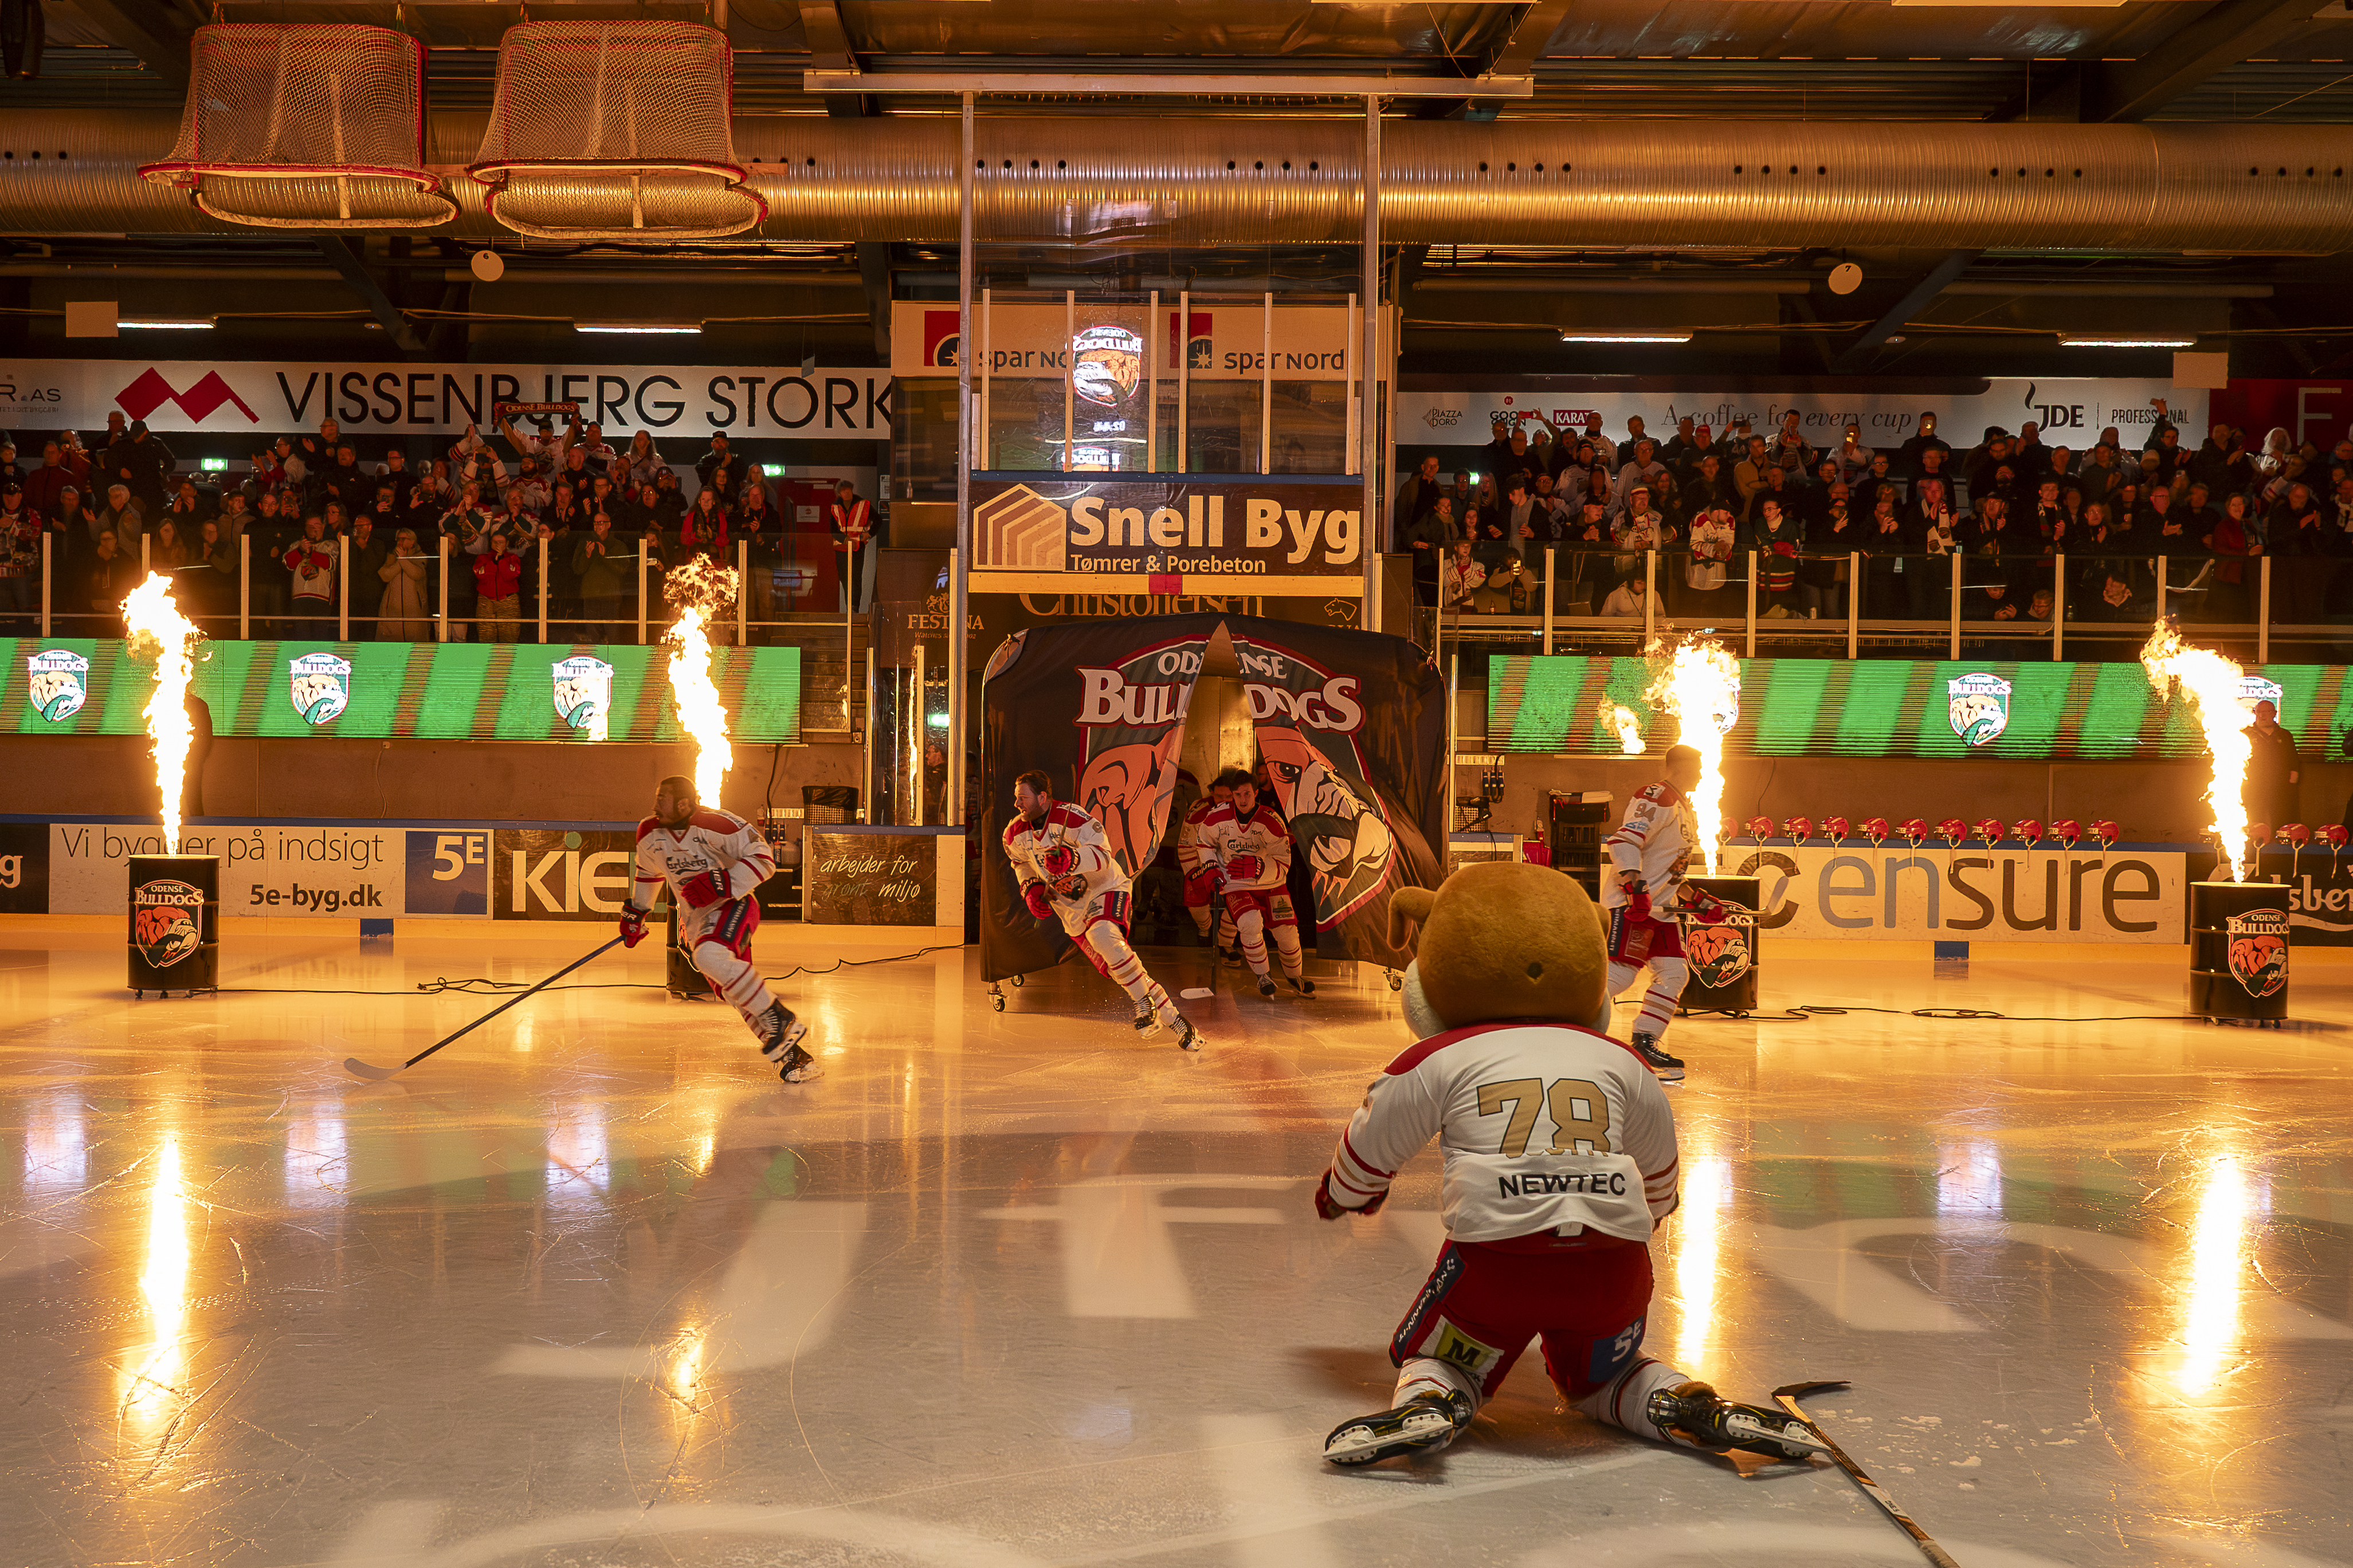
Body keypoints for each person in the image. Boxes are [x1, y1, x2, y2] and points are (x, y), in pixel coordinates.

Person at [1311, 863, 1825, 1470]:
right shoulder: (1619, 1059)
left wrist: (1344, 1194)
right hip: (1612, 1269)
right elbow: (1660, 1169)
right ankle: (1680, 1401)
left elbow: (1369, 1148)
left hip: (1498, 1266)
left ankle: (1435, 1399)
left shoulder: (1437, 1055)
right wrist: (1637, 1214)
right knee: (1604, 1379)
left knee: (1440, 1356)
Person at [620, 773, 817, 1082]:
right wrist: (637, 913)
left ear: (684, 803)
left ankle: (780, 1018)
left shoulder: (720, 825)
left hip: (734, 906)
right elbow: (649, 872)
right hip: (697, 921)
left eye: (663, 798)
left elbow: (765, 860)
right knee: (735, 991)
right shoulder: (648, 832)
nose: (655, 804)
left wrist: (721, 883)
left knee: (709, 957)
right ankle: (795, 1058)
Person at [1003, 769, 1201, 1048]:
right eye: (1017, 798)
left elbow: (1103, 856)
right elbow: (1019, 862)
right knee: (1122, 968)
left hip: (1105, 888)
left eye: (1022, 798)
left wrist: (1072, 859)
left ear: (1043, 797)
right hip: (1072, 912)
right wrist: (1031, 888)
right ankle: (1179, 1024)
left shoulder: (1074, 818)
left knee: (1104, 937)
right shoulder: (1014, 833)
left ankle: (1144, 1004)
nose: (1017, 804)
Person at [1602, 744, 1708, 1081]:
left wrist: (1698, 900)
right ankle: (1563, 1027)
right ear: (1683, 767)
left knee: (1675, 974)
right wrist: (1636, 890)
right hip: (1635, 908)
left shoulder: (1683, 807)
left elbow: (1671, 868)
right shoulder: (1657, 796)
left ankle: (1644, 1041)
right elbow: (1623, 842)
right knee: (1618, 977)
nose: (1703, 774)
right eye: (1699, 767)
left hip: (1660, 912)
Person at [1200, 766, 1312, 1000]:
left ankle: (1295, 976)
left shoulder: (1271, 821)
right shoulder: (1216, 818)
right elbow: (1204, 844)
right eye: (1238, 794)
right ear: (1232, 794)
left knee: (1288, 933)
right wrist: (1211, 870)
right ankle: (1263, 975)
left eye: (1248, 794)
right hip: (1235, 882)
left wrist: (1259, 866)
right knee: (1250, 923)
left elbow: (1284, 860)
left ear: (1256, 794)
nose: (1243, 799)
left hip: (1272, 883)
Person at [1175, 773, 1239, 952]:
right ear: (1211, 792)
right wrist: (1197, 872)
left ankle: (1226, 942)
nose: (1224, 801)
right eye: (1219, 796)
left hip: (1232, 859)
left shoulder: (1244, 809)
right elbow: (1185, 845)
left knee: (1241, 897)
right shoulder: (1199, 811)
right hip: (1198, 858)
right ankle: (1205, 929)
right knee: (1195, 897)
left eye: (1229, 796)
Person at [2245, 699, 2299, 830]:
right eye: (2259, 712)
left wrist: (2293, 779)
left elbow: (2293, 759)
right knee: (2253, 816)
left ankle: (2281, 844)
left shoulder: (2285, 735)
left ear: (2274, 713)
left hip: (2279, 785)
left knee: (2281, 817)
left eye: (2266, 712)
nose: (2262, 716)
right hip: (2253, 784)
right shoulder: (2247, 734)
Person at [283, 514, 337, 635]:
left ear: (323, 527)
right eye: (310, 526)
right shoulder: (297, 545)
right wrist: (301, 550)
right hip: (299, 597)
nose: (313, 529)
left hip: (321, 597)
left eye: (316, 525)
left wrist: (312, 552)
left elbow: (331, 564)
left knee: (320, 634)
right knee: (301, 633)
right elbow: (289, 564)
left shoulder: (331, 545)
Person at [378, 526, 434, 640]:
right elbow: (385, 575)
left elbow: (417, 574)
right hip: (393, 611)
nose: (400, 541)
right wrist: (400, 561)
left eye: (404, 538)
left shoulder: (421, 556)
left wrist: (403, 559)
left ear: (413, 541)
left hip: (414, 612)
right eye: (398, 539)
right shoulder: (391, 557)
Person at [473, 529, 523, 643]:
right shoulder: (483, 558)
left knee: (509, 638)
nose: (498, 545)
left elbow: (509, 576)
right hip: (486, 601)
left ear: (506, 544)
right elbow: (482, 576)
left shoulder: (513, 558)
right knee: (486, 639)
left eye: (501, 542)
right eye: (495, 542)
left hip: (508, 601)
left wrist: (501, 559)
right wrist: (493, 561)